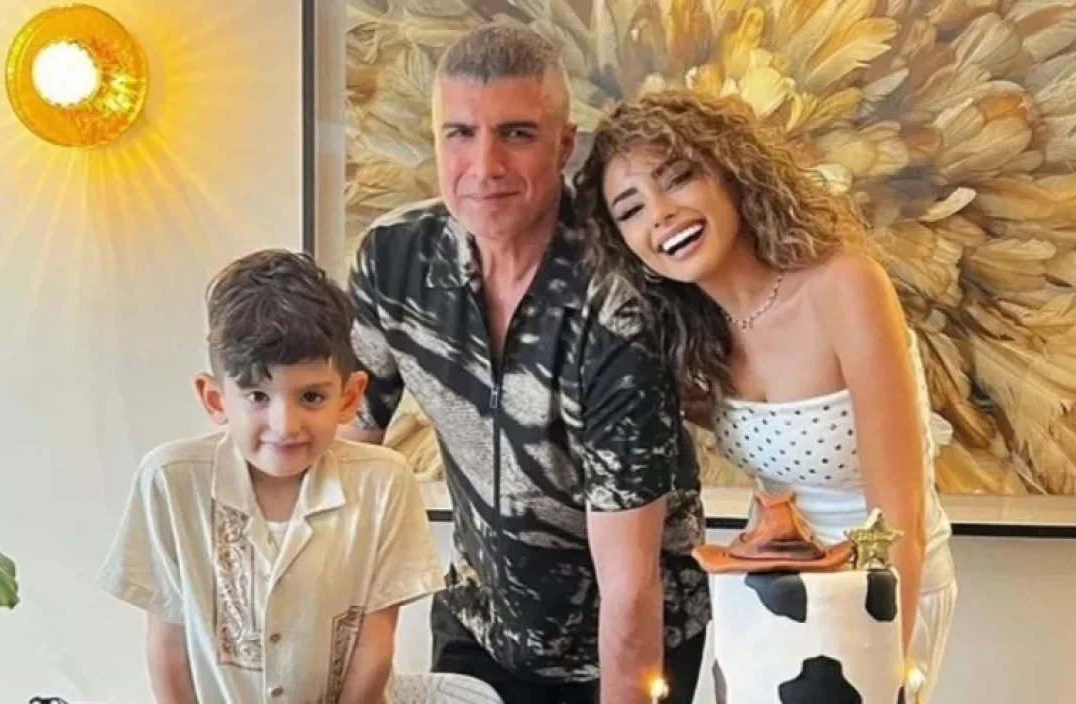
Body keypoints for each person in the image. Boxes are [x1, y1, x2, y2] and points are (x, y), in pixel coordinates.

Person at [339, 22, 710, 704]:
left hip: (626, 643)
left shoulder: (618, 302)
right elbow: (341, 462)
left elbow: (630, 584)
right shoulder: (393, 261)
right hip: (477, 626)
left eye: (516, 133)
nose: (485, 167)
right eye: (460, 133)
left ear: (564, 144)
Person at [574, 89, 959, 699]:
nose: (661, 214)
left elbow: (900, 519)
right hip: (769, 592)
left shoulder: (843, 284)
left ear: (731, 173)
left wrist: (883, 670)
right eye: (632, 208)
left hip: (880, 587)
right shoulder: (687, 337)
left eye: (678, 178)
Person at [96, 249, 446, 703]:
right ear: (215, 399)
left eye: (312, 397)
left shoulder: (383, 483)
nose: (285, 425)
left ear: (349, 397)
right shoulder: (170, 481)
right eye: (257, 396)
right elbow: (169, 646)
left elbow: (374, 644)